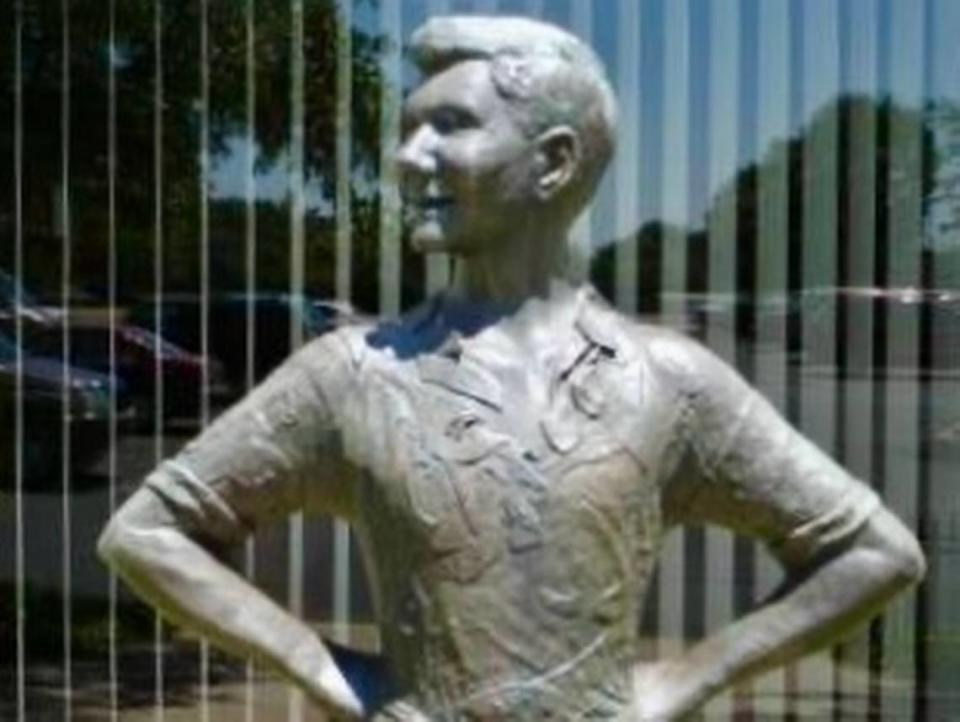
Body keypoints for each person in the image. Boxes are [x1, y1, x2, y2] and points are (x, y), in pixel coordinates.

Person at [99, 15, 925, 721]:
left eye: (450, 126)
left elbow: (873, 555)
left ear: (554, 162)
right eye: (406, 131)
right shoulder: (355, 374)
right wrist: (325, 672)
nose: (407, 157)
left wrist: (680, 683)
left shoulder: (668, 382)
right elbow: (146, 534)